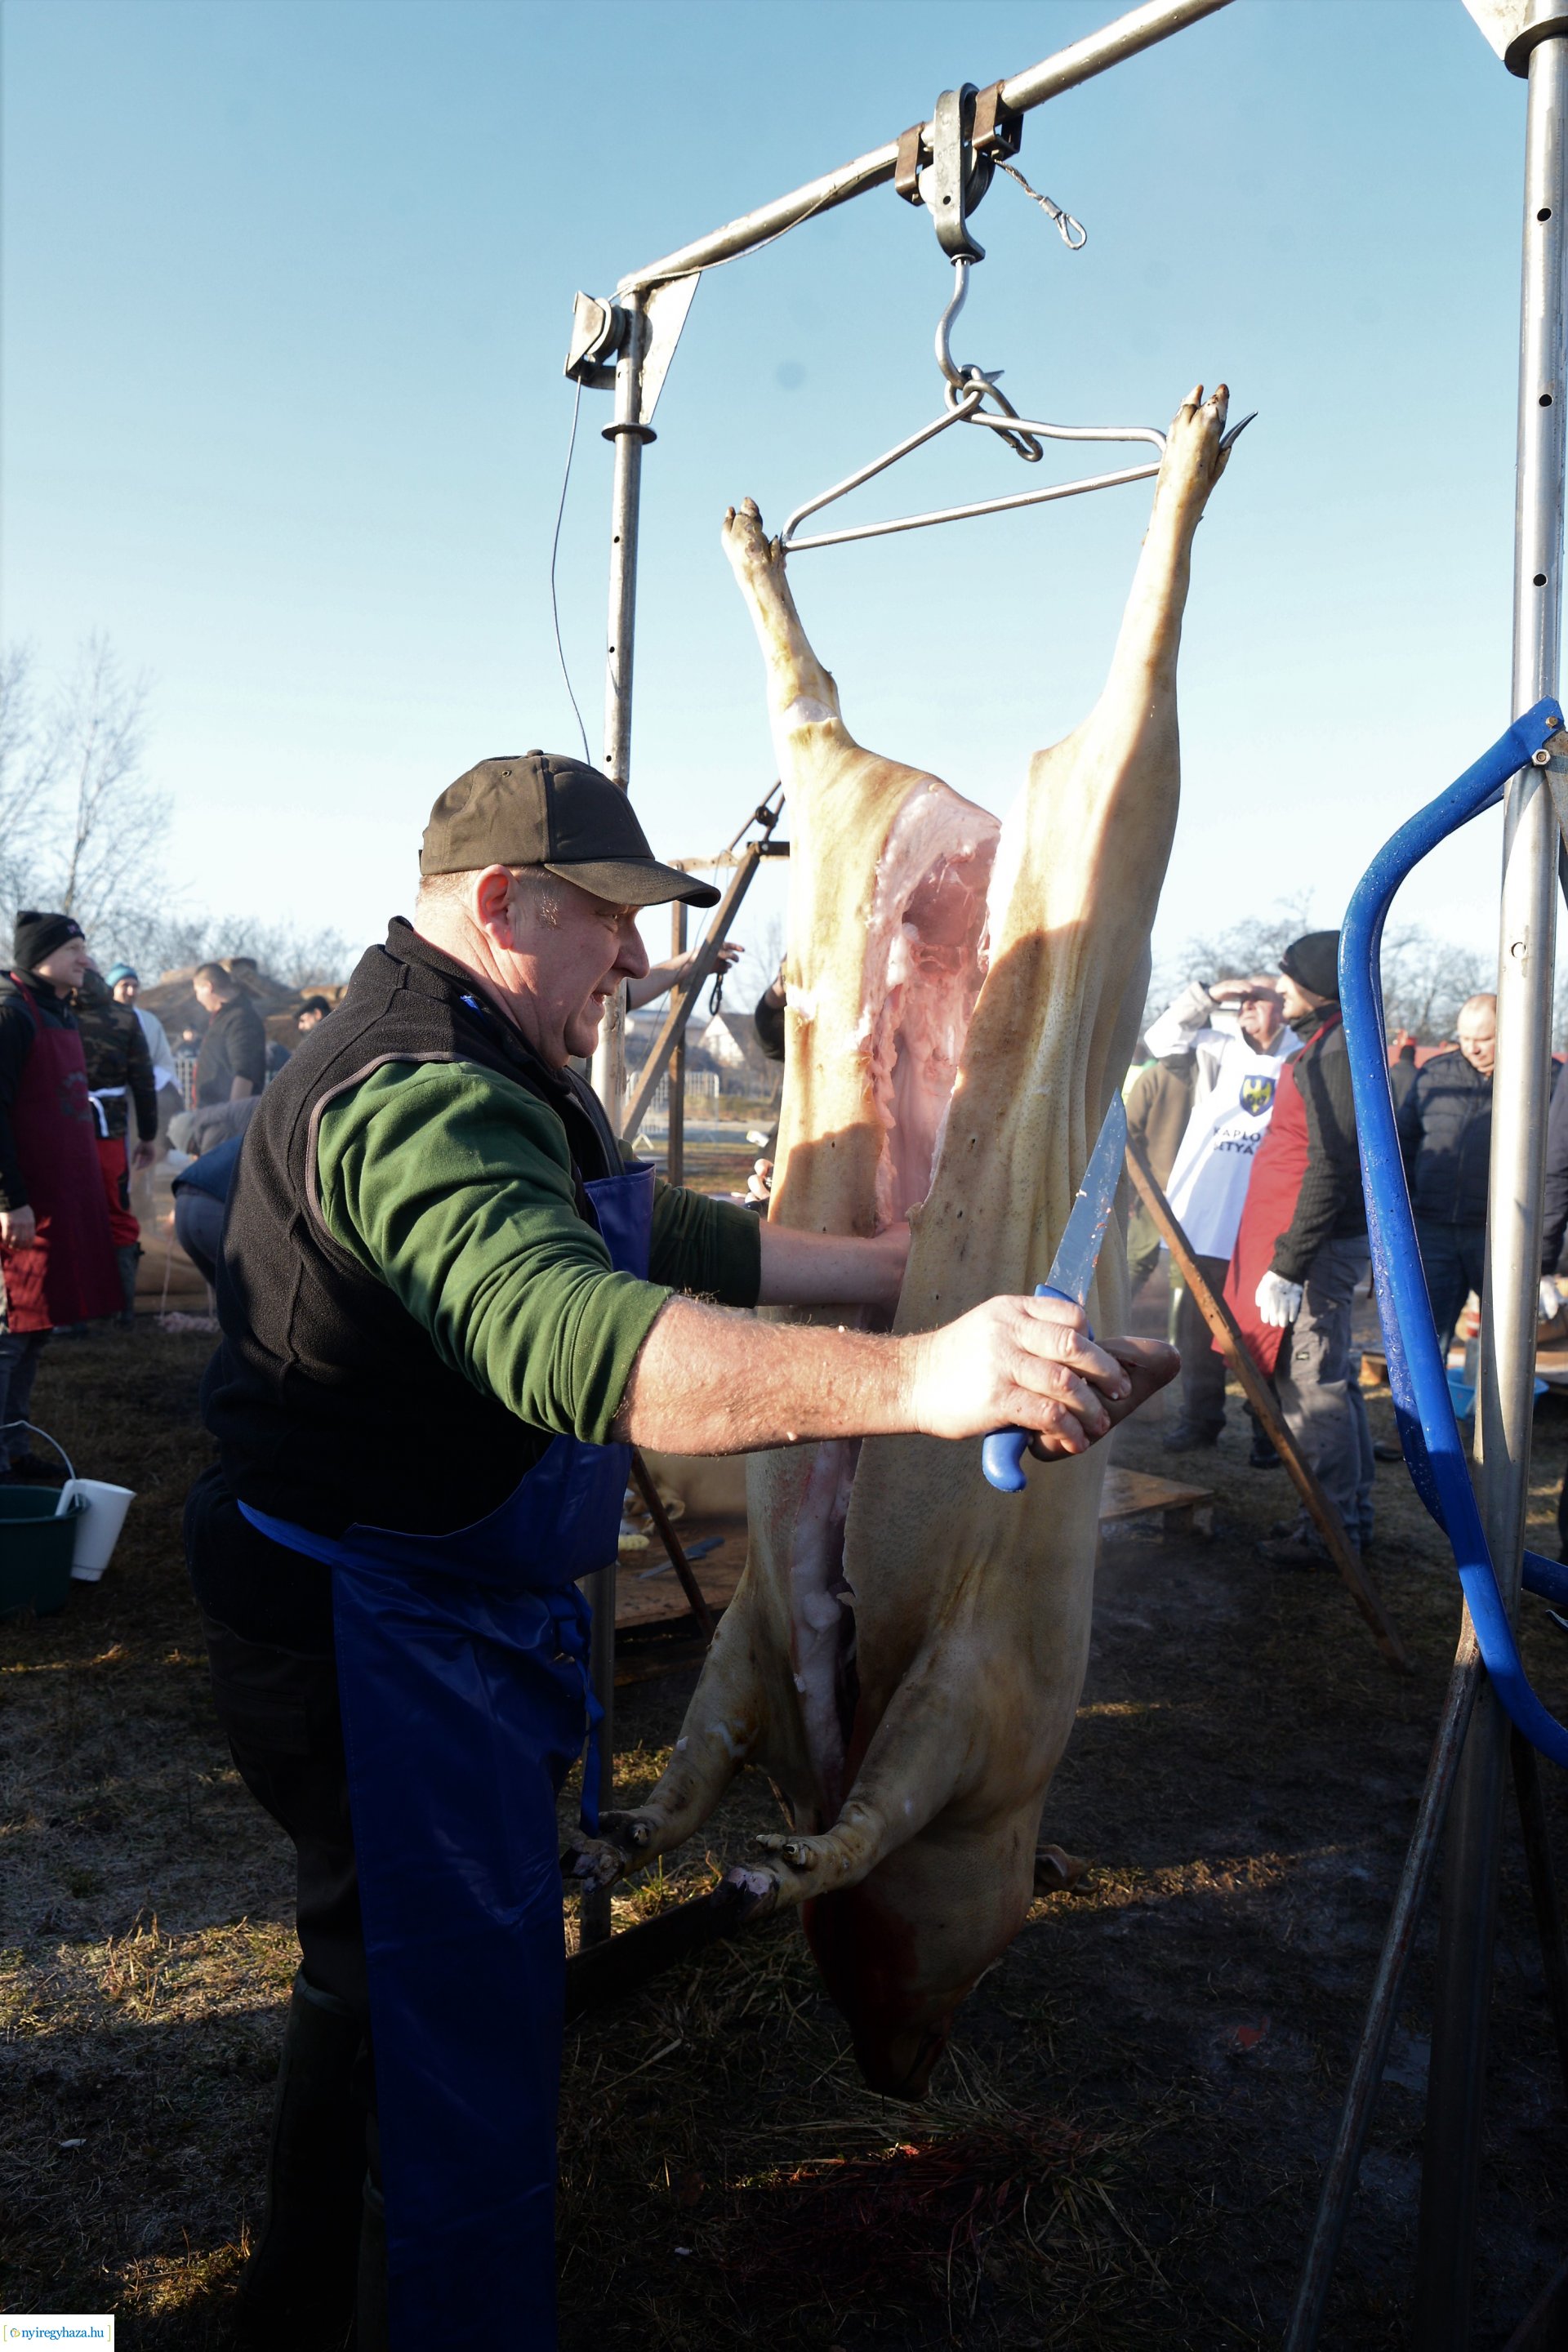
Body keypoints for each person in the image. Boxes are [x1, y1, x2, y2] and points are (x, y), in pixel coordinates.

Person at [184, 751, 1174, 2351]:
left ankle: (300, 2298)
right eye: (613, 924)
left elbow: (640, 1233)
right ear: (506, 906)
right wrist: (921, 1376)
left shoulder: (489, 1057)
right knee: (455, 2051)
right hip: (377, 1640)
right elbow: (573, 1327)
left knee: (371, 1991)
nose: (642, 963)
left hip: (425, 1613)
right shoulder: (417, 1090)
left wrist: (885, 1265)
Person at [1225, 930, 1375, 1565]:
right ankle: (1343, 1518)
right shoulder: (1326, 1044)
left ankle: (1333, 1531)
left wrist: (1289, 1265)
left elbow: (1331, 1166)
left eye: (1288, 978)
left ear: (1317, 985)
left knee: (1315, 1386)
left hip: (1319, 1251)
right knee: (1331, 1382)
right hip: (1316, 1245)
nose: (1279, 988)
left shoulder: (1335, 1055)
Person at [1143, 973, 1299, 1455]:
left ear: (1284, 1004)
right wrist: (1216, 993)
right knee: (1197, 1330)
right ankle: (1200, 1420)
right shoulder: (1218, 1047)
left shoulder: (1300, 1053)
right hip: (1204, 1217)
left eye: (1259, 1000)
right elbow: (1160, 1036)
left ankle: (1266, 1431)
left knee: (1263, 1332)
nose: (1248, 1007)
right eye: (1243, 1001)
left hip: (1262, 1221)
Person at [0, 913, 121, 1476]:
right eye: (75, 948)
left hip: (60, 1197)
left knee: (38, 1329)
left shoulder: (56, 1006)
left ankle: (15, 1451)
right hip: (22, 1207)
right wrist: (9, 1200)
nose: (87, 959)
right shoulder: (10, 1012)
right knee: (9, 1334)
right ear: (40, 955)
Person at [1395, 993, 1501, 1368]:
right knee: (1428, 1335)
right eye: (1464, 1037)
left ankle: (1498, 1422)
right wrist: (1408, 1199)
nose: (1472, 1048)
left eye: (1484, 1038)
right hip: (1434, 1224)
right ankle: (1424, 1425)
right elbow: (1403, 1140)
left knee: (1505, 1337)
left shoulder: (1541, 1080)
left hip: (1497, 1232)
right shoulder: (1435, 1075)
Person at [71, 964, 159, 1328]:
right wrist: (149, 1135)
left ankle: (75, 1315)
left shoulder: (55, 1011)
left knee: (70, 1215)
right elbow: (143, 1080)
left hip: (64, 1128)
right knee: (116, 1213)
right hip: (108, 1130)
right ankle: (121, 1313)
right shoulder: (124, 1017)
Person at [1121, 1040, 1196, 1294]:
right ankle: (1181, 1333)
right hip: (1195, 1190)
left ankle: (1114, 1325)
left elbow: (1128, 1134)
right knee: (1186, 1270)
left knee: (1136, 1262)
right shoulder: (1213, 1077)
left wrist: (1131, 1189)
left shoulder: (1152, 1077)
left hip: (1153, 1187)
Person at [192, 964, 267, 1107]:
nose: (197, 998)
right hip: (212, 1113)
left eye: (197, 991)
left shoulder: (242, 1019)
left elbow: (245, 1073)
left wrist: (232, 1118)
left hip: (224, 1119)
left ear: (208, 987)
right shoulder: (223, 1017)